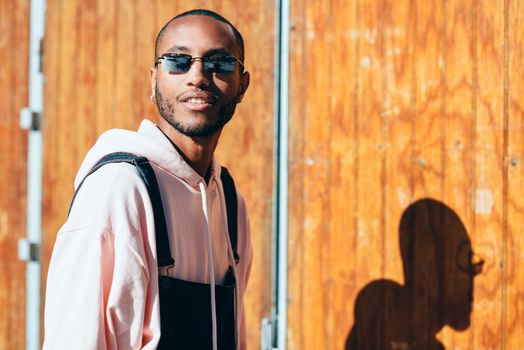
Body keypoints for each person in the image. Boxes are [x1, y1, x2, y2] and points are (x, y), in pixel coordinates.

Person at [43, 9, 252, 350]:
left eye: (219, 63)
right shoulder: (119, 189)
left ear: (242, 84)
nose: (197, 76)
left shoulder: (229, 200)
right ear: (154, 80)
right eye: (177, 61)